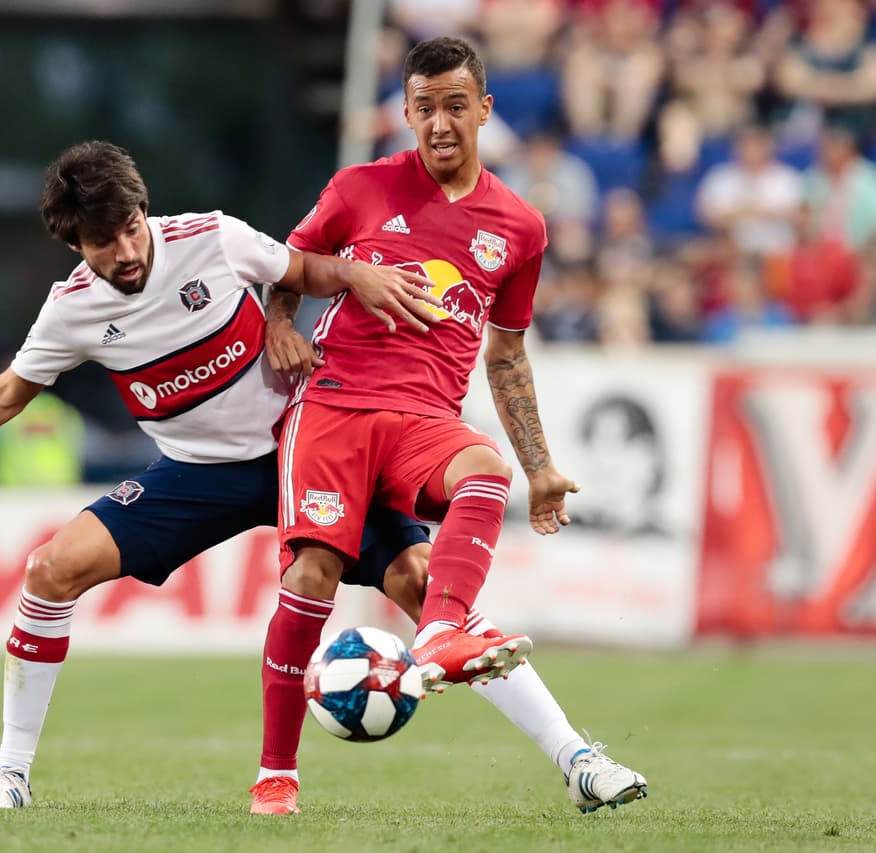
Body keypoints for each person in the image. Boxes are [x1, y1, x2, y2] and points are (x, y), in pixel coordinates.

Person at [0, 140, 444, 810]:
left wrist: (348, 278)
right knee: (50, 569)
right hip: (197, 475)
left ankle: (547, 740)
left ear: (143, 209)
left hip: (302, 450)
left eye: (130, 228)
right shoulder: (72, 309)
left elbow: (301, 268)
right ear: (74, 244)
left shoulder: (212, 238)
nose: (126, 251)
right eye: (103, 242)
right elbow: (7, 393)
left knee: (425, 585)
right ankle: (10, 773)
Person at [248, 36, 647, 817]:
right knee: (313, 576)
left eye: (455, 106)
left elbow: (507, 354)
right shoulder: (360, 187)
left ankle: (442, 639)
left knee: (486, 471)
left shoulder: (520, 226)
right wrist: (279, 323)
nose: (439, 123)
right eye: (424, 107)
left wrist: (541, 466)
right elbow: (289, 265)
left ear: (484, 110)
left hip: (425, 420)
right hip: (335, 408)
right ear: (405, 111)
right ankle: (276, 775)